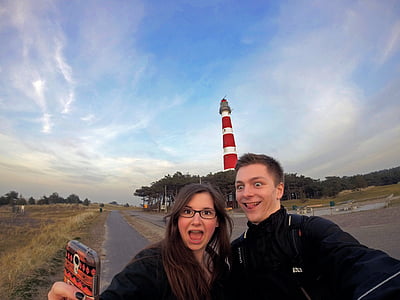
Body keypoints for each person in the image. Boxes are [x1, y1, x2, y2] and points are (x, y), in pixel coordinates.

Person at [229, 153, 400, 300]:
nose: (246, 193)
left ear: (279, 190)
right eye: (240, 186)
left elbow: (359, 264)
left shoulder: (310, 231)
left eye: (257, 184)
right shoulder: (238, 249)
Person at [48, 183, 233, 300]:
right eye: (187, 211)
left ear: (217, 221)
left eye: (207, 212)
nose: (196, 220)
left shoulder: (220, 267)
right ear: (177, 219)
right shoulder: (151, 265)